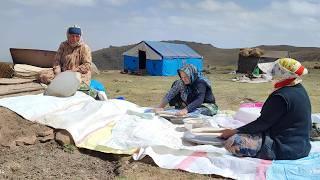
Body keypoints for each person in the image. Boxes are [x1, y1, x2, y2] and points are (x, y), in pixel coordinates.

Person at [219, 58, 311, 160]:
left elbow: (262, 123)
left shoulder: (281, 96)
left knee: (234, 142)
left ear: (281, 75)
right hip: (301, 146)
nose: (270, 76)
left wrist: (234, 131)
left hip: (284, 148)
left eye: (272, 73)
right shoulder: (299, 89)